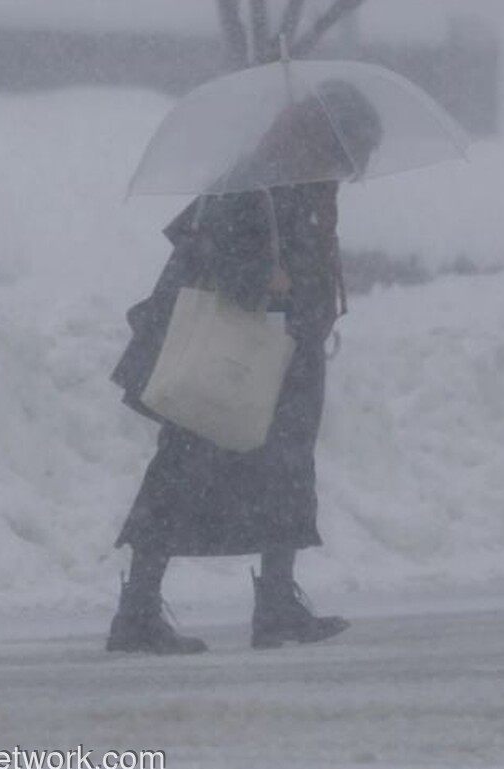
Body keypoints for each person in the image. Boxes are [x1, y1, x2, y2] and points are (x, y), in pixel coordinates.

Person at [107, 81, 383, 654]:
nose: (353, 169)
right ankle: (137, 611)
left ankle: (276, 605)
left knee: (283, 476)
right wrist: (266, 280)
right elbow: (209, 253)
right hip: (230, 357)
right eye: (352, 152)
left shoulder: (305, 180)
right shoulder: (256, 179)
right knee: (183, 474)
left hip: (280, 354)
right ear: (327, 137)